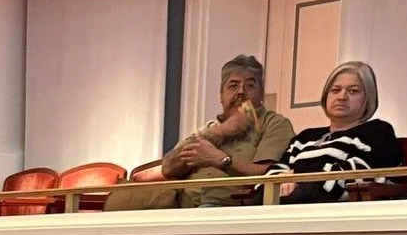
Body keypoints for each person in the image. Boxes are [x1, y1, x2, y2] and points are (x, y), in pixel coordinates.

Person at [109, 56, 294, 210]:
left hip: (227, 207)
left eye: (250, 86)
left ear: (261, 95)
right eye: (233, 86)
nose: (241, 92)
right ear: (221, 96)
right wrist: (219, 132)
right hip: (180, 205)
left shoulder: (275, 123)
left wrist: (221, 160)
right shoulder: (209, 129)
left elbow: (269, 173)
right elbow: (168, 167)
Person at [273, 61, 403, 203]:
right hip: (283, 207)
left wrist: (296, 177)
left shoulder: (378, 131)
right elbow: (275, 171)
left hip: (334, 212)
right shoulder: (305, 137)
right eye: (335, 90)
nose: (342, 97)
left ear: (368, 98)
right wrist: (281, 181)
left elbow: (354, 176)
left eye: (353, 91)